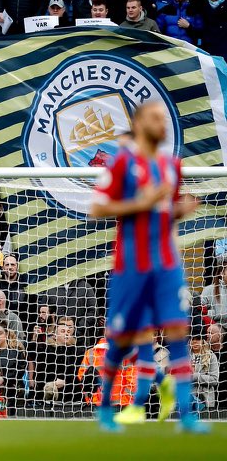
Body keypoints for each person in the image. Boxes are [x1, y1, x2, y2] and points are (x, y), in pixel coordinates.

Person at [89, 101, 207, 433]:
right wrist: (141, 203)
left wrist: (179, 211)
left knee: (177, 333)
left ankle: (187, 416)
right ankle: (107, 409)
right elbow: (96, 208)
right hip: (131, 265)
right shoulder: (123, 163)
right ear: (140, 123)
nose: (162, 124)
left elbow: (164, 213)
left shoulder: (172, 166)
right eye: (156, 118)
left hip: (166, 265)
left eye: (164, 119)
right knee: (122, 338)